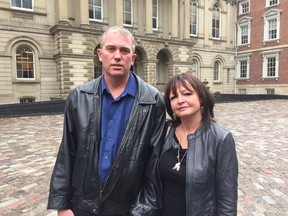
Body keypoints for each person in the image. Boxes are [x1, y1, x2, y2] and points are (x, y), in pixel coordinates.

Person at [47, 26, 166, 216]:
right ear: (100, 55)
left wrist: (143, 210)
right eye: (111, 49)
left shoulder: (152, 101)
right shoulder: (79, 97)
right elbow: (67, 153)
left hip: (128, 209)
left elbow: (155, 164)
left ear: (133, 58)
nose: (117, 56)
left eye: (124, 50)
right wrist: (62, 205)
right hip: (83, 206)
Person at [159, 73, 238, 216]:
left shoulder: (220, 138)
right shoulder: (165, 131)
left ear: (201, 97)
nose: (180, 100)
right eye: (174, 97)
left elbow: (227, 198)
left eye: (187, 94)